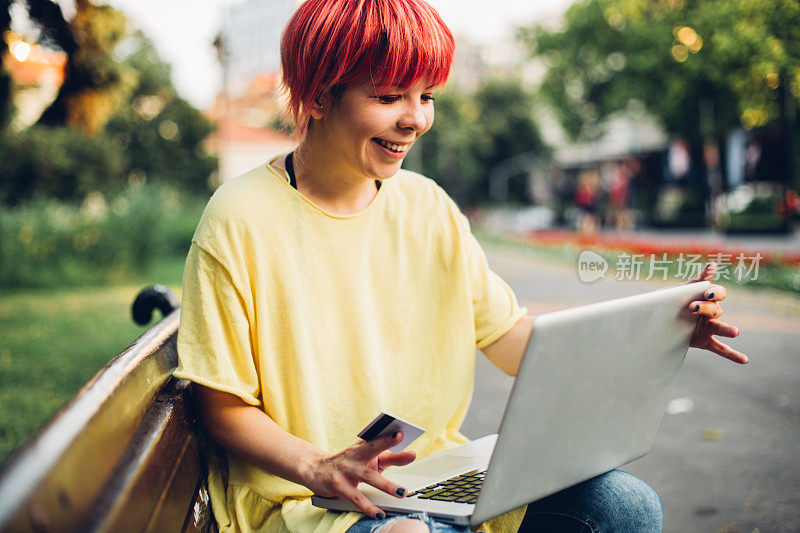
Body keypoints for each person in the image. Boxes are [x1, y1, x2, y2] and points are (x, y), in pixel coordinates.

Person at [174, 1, 749, 532]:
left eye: (426, 96)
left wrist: (658, 335)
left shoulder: (428, 207)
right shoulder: (239, 218)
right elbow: (221, 404)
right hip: (316, 500)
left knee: (626, 507)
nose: (415, 120)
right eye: (390, 96)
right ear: (320, 95)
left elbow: (514, 342)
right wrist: (319, 466)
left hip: (437, 479)